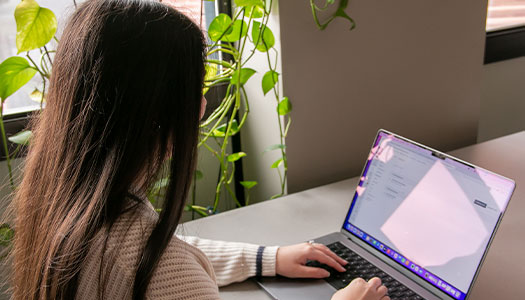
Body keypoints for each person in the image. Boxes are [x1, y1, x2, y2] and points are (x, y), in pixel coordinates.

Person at [9, 0, 390, 299]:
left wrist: (265, 259)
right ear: (156, 114)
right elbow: (165, 267)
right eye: (196, 90)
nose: (204, 104)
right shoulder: (154, 270)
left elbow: (167, 251)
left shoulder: (62, 200)